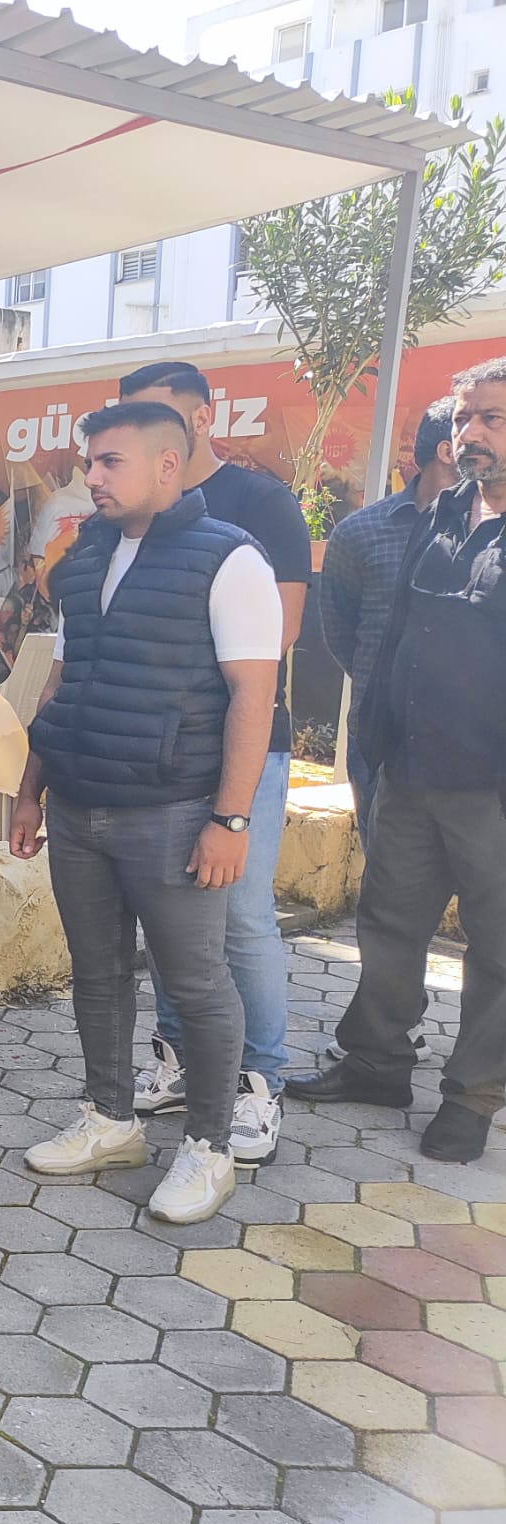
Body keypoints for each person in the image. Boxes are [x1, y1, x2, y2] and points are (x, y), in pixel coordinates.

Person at [8, 401, 282, 1224]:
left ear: (169, 463)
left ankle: (209, 1147)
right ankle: (111, 1120)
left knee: (196, 983)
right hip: (79, 806)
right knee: (96, 974)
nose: (91, 477)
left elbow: (254, 696)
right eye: (89, 461)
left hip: (174, 812)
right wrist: (30, 788)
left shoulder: (229, 558)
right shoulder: (86, 555)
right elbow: (63, 682)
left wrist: (230, 820)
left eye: (110, 462)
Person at [286, 358, 506, 1164]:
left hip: (492, 787)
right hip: (409, 769)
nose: (469, 433)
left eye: (490, 418)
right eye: (464, 416)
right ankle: (377, 1064)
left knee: (497, 949)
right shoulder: (446, 510)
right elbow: (380, 628)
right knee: (387, 925)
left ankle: (472, 1097)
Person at [116, 362, 310, 1167]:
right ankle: (178, 1057)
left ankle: (259, 1083)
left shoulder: (261, 503)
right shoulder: (130, 515)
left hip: (240, 745)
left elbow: (282, 632)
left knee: (240, 916)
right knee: (169, 912)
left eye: (155, 414)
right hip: (154, 756)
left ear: (201, 418)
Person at [319, 397, 457, 853]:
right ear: (448, 450)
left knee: (482, 882)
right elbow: (342, 631)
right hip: (382, 737)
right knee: (386, 874)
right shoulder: (361, 532)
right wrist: (385, 683)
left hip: (476, 743)